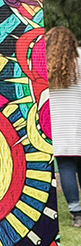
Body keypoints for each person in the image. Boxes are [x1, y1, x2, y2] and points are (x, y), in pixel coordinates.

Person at [46, 27, 81, 228]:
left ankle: (77, 214)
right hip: (78, 122)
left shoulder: (43, 67)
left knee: (66, 167)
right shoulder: (80, 62)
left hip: (57, 126)